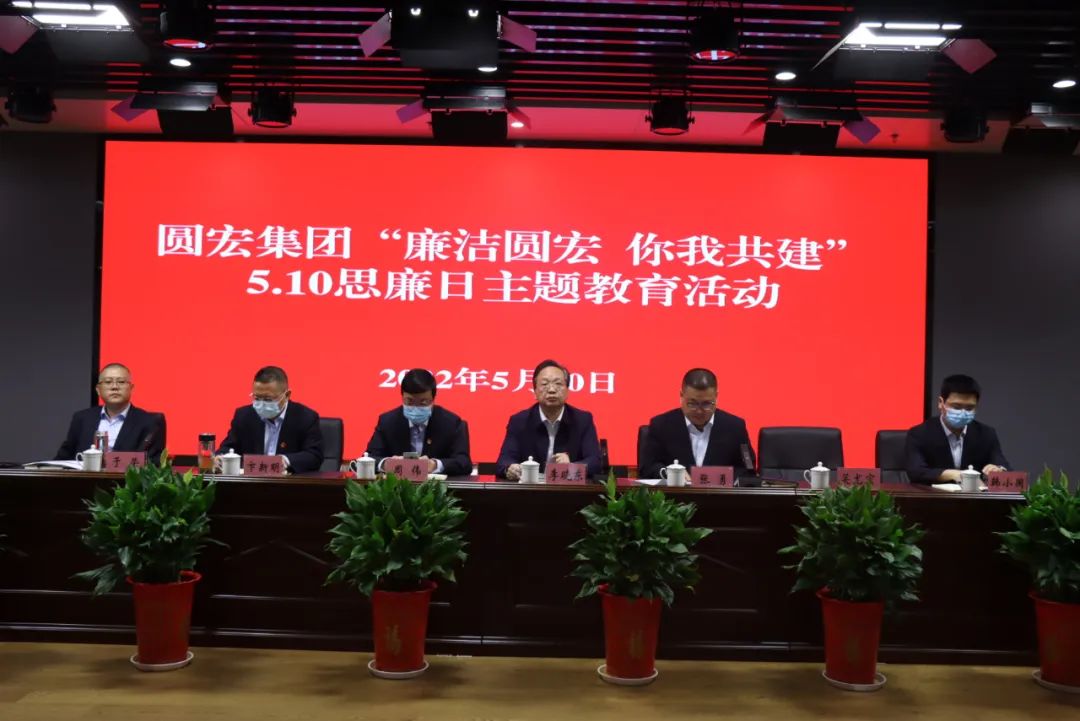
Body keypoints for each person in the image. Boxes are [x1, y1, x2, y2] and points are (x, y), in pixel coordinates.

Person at [638, 367, 754, 479]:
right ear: (681, 396)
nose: (699, 411)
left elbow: (748, 469)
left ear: (716, 397)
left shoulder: (735, 427)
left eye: (706, 404)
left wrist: (722, 478)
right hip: (677, 492)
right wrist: (668, 473)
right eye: (692, 404)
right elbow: (647, 467)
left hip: (720, 492)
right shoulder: (661, 425)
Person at [495, 359, 601, 480]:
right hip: (530, 489)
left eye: (558, 384)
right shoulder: (519, 421)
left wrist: (571, 467)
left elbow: (595, 462)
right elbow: (503, 462)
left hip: (567, 489)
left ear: (567, 391)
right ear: (535, 391)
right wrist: (510, 468)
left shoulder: (582, 420)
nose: (551, 390)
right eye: (544, 384)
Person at [905, 374, 1010, 484]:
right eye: (956, 407)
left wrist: (999, 470)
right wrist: (952, 474)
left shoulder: (986, 434)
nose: (963, 413)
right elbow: (916, 472)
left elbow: (1003, 465)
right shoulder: (919, 434)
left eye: (969, 408)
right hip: (934, 493)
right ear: (941, 403)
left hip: (974, 494)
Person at [366, 368, 472, 476]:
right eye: (410, 401)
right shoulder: (388, 422)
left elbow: (464, 463)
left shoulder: (451, 423)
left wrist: (435, 465)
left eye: (423, 402)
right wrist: (386, 464)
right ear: (402, 397)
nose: (415, 407)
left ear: (433, 399)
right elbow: (368, 458)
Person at [219, 366, 324, 474]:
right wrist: (219, 459)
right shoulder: (244, 416)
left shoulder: (305, 417)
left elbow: (314, 455)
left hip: (287, 482)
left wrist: (285, 461)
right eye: (257, 398)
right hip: (251, 481)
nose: (261, 404)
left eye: (268, 399)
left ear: (287, 395)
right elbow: (228, 447)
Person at [56, 362, 167, 461]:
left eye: (121, 382)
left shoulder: (148, 422)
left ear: (131, 388)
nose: (114, 387)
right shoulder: (82, 418)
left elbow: (153, 462)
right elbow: (64, 457)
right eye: (108, 382)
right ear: (98, 390)